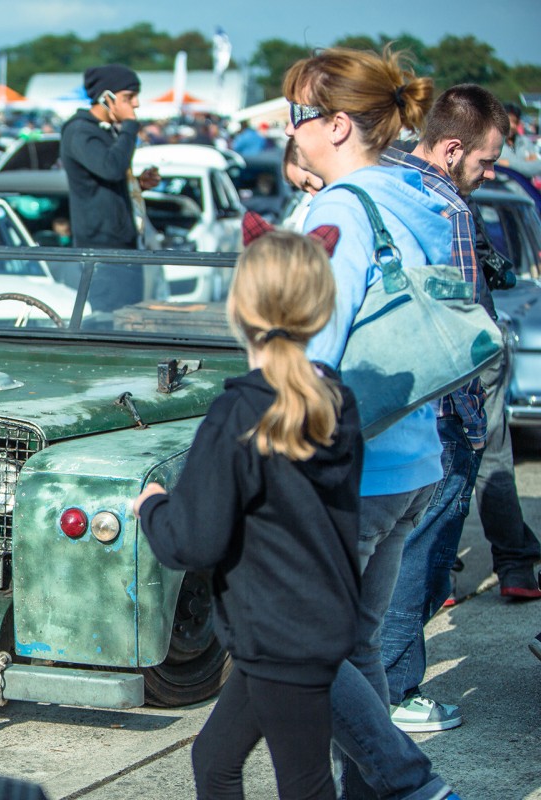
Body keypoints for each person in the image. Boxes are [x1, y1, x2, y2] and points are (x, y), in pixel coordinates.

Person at [136, 226, 361, 800]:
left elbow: (194, 542)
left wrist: (153, 507)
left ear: (239, 308)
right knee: (213, 759)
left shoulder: (240, 412)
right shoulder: (334, 398)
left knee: (305, 784)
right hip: (309, 621)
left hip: (277, 632)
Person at [284, 46, 455, 800]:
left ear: (339, 125)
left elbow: (313, 353)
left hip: (353, 466)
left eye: (298, 114)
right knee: (358, 645)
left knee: (295, 644)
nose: (289, 129)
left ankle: (407, 783)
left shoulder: (339, 209)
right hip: (415, 452)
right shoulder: (418, 195)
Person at [376, 83, 508, 733]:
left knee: (381, 555)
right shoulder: (447, 208)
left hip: (377, 408)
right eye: (484, 161)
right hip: (438, 415)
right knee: (418, 556)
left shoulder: (371, 181)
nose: (486, 174)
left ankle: (375, 681)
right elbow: (460, 333)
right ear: (452, 148)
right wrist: (473, 426)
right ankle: (396, 688)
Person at [469, 196, 541, 599]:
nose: (488, 172)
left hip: (435, 343)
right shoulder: (454, 195)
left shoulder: (387, 181)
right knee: (492, 453)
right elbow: (491, 262)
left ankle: (439, 570)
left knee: (438, 456)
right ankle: (515, 564)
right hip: (478, 334)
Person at [60, 63, 142, 311]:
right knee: (109, 324)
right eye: (128, 97)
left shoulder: (103, 131)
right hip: (101, 252)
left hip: (120, 246)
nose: (136, 104)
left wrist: (137, 186)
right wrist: (129, 127)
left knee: (131, 320)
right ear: (107, 98)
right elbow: (110, 167)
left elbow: (105, 180)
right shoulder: (80, 132)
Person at [498, 102, 540, 176]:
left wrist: (509, 164)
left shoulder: (525, 142)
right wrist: (525, 162)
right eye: (507, 121)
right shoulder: (494, 143)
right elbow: (498, 172)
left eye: (515, 122)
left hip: (524, 187)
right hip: (501, 187)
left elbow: (538, 167)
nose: (511, 125)